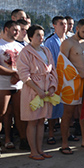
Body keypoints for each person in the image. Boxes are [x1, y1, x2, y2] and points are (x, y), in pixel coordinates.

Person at [17, 25, 58, 160]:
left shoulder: (46, 51)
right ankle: (33, 150)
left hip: (46, 88)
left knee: (42, 120)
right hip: (32, 89)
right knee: (33, 121)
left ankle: (40, 149)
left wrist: (52, 86)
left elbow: (53, 71)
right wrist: (37, 89)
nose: (41, 38)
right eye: (37, 35)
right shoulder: (25, 52)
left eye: (42, 35)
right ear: (30, 37)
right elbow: (24, 75)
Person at [57, 18, 84, 154]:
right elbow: (61, 64)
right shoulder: (67, 43)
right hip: (71, 82)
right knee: (68, 113)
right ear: (77, 29)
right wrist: (77, 74)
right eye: (83, 32)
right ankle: (64, 143)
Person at [0, 20, 27, 158]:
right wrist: (13, 73)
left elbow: (23, 65)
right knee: (0, 114)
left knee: (20, 114)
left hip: (18, 84)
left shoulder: (19, 46)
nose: (17, 33)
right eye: (15, 30)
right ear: (6, 29)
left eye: (19, 30)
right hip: (2, 84)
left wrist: (18, 75)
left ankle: (23, 139)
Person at [44, 16, 68, 145]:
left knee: (67, 108)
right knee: (53, 107)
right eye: (61, 24)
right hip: (56, 78)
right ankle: (51, 134)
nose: (64, 26)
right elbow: (50, 61)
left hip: (68, 79)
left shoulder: (69, 40)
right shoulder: (50, 42)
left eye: (65, 24)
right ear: (54, 25)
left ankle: (66, 133)